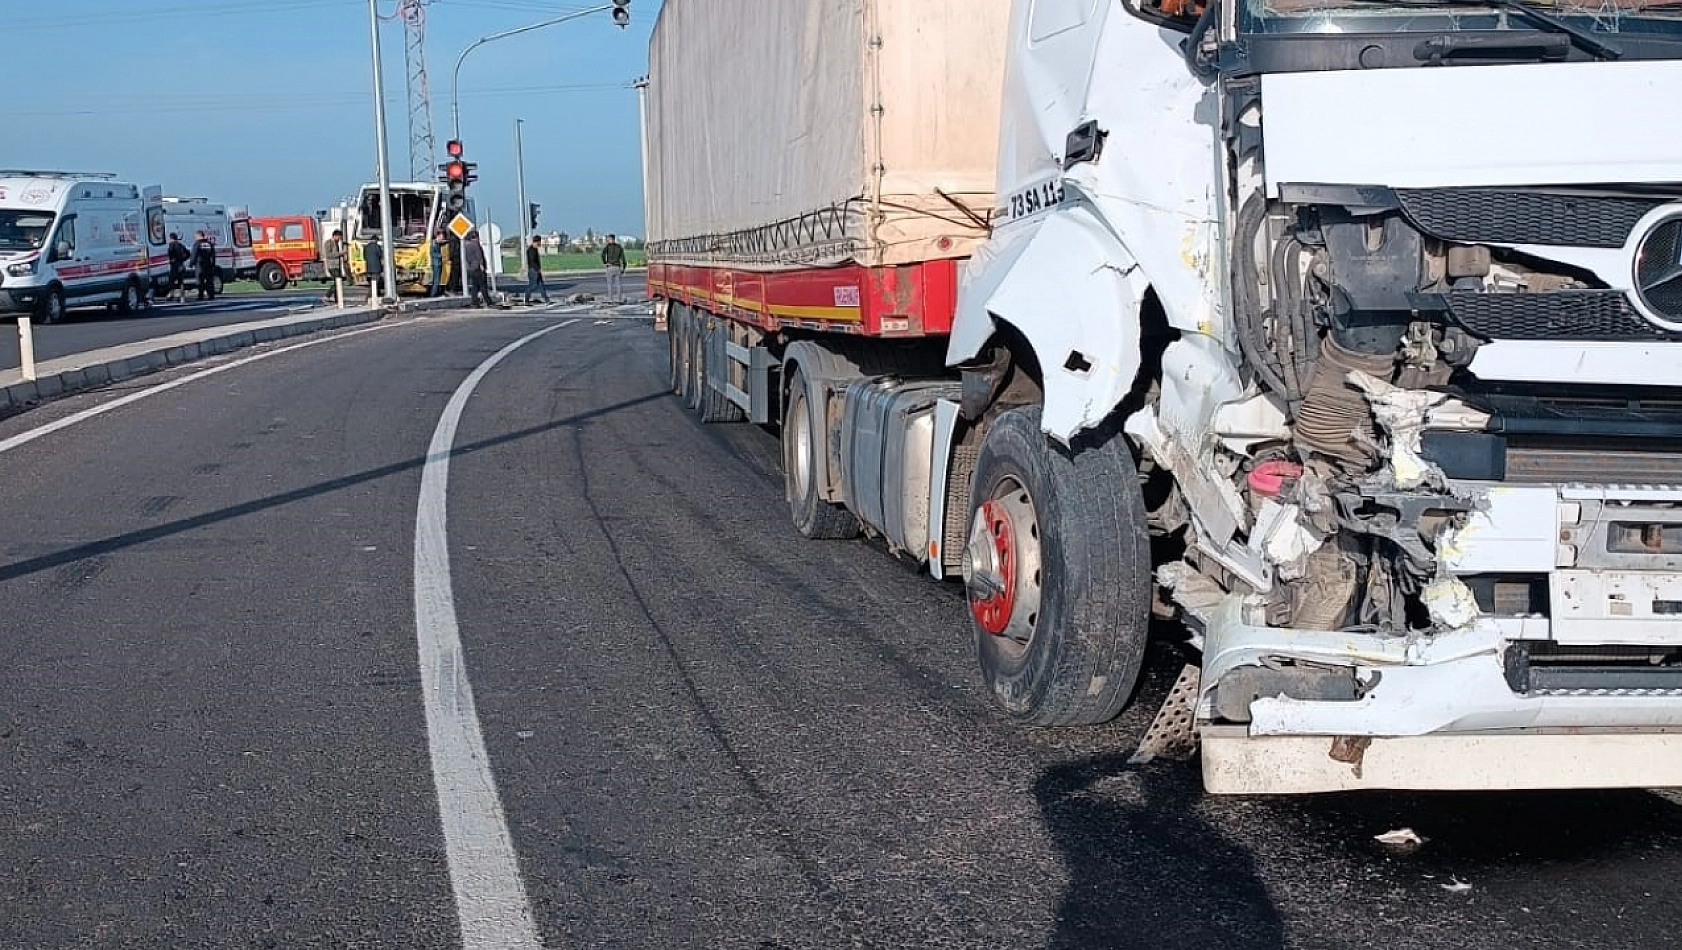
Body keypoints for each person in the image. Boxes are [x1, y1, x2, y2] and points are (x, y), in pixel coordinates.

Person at [464, 229, 495, 308]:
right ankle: (488, 301)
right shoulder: (476, 245)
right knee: (483, 285)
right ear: (476, 237)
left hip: (471, 268)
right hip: (478, 268)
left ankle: (474, 302)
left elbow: (467, 258)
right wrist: (482, 266)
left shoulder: (467, 246)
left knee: (475, 286)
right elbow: (479, 256)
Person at [322, 229, 348, 305]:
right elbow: (329, 255)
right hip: (332, 266)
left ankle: (338, 299)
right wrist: (341, 253)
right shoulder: (328, 243)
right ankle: (327, 296)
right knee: (337, 282)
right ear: (334, 236)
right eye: (338, 237)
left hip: (337, 265)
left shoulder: (337, 243)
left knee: (338, 282)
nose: (339, 239)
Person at [523, 235, 551, 305]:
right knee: (533, 286)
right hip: (533, 270)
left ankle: (547, 300)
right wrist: (538, 270)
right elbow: (532, 262)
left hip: (536, 270)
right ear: (536, 242)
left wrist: (539, 269)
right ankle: (526, 299)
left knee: (541, 285)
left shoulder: (535, 249)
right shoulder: (531, 250)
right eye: (539, 243)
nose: (540, 244)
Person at [191, 230, 218, 301]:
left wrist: (191, 263)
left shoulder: (197, 244)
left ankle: (201, 296)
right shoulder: (209, 244)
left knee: (200, 280)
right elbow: (213, 255)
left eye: (195, 236)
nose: (195, 238)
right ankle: (211, 295)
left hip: (200, 264)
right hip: (208, 264)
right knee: (209, 280)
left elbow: (194, 254)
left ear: (198, 236)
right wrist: (213, 264)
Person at [601, 234, 627, 302]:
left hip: (610, 267)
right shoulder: (619, 247)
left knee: (609, 284)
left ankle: (610, 299)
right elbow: (623, 258)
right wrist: (624, 268)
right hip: (617, 267)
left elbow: (602, 255)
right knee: (618, 284)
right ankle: (619, 299)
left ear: (610, 239)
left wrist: (605, 262)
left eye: (608, 239)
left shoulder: (607, 247)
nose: (608, 240)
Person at [166, 233, 190, 303]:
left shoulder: (171, 245)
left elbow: (170, 253)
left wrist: (171, 260)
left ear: (171, 238)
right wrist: (183, 259)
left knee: (171, 281)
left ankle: (171, 294)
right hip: (181, 265)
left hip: (174, 265)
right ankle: (182, 297)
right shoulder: (181, 245)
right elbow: (188, 253)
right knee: (181, 282)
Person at [363, 234, 385, 300]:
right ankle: (368, 297)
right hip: (376, 267)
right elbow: (380, 256)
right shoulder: (377, 246)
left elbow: (364, 257)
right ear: (376, 240)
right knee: (375, 282)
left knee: (373, 281)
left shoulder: (366, 247)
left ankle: (377, 294)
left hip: (369, 268)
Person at [428, 229, 447, 298]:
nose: (442, 239)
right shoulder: (434, 244)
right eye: (441, 237)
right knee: (436, 280)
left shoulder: (436, 243)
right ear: (438, 236)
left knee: (436, 280)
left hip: (436, 263)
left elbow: (443, 243)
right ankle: (433, 295)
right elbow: (433, 254)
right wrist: (441, 256)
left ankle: (434, 293)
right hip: (437, 264)